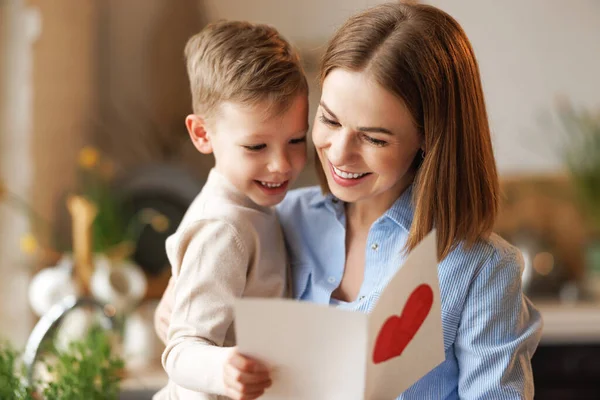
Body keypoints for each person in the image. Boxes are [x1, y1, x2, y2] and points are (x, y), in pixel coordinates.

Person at [156, 2, 543, 399]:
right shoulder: (275, 218)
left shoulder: (481, 270)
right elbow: (182, 328)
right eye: (328, 119)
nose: (339, 153)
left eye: (374, 138)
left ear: (430, 137)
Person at [153, 19, 309, 400]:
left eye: (296, 140)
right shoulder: (223, 227)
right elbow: (179, 351)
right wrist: (221, 367)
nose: (282, 165)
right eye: (257, 147)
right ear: (202, 134)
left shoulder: (254, 207)